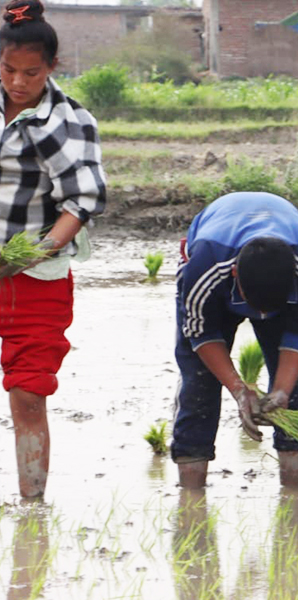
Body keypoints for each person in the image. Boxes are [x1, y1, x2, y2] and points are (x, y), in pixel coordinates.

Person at [0, 0, 107, 498]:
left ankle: (32, 509)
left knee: (28, 392)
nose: (18, 82)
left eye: (31, 72)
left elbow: (81, 203)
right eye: (8, 69)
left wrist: (29, 254)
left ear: (52, 67)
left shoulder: (67, 123)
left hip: (32, 278)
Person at [172, 192, 298, 489]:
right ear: (235, 277)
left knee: (296, 394)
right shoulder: (206, 265)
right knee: (198, 387)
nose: (258, 315)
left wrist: (282, 391)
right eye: (251, 304)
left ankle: (293, 494)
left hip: (285, 282)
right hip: (215, 272)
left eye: (266, 311)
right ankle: (191, 496)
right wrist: (238, 390)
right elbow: (201, 333)